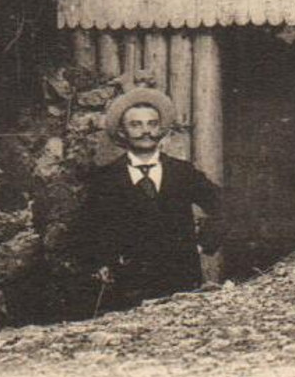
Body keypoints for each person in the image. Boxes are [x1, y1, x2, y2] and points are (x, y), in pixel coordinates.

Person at [82, 85, 222, 311]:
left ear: (162, 129)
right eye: (135, 125)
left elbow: (224, 205)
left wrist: (204, 244)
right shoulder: (105, 179)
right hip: (129, 286)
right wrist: (102, 261)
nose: (145, 131)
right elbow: (89, 228)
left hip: (182, 281)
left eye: (152, 124)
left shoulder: (182, 172)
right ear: (122, 132)